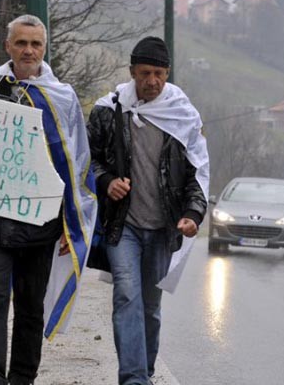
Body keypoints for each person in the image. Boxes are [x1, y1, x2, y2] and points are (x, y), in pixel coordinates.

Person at [0, 15, 96, 385]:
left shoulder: (63, 98)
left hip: (40, 225)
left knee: (30, 308)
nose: (28, 50)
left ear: (45, 49)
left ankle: (21, 379)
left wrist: (71, 223)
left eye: (36, 44)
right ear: (8, 46)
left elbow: (77, 160)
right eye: (21, 43)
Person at [87, 36, 209, 385]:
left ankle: (147, 370)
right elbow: (86, 159)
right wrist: (107, 180)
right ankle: (134, 379)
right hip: (121, 224)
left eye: (159, 73)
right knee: (126, 295)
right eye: (145, 73)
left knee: (151, 307)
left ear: (167, 73)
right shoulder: (108, 111)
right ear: (131, 73)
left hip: (162, 227)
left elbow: (196, 172)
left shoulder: (183, 115)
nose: (152, 81)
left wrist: (193, 214)